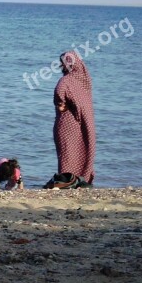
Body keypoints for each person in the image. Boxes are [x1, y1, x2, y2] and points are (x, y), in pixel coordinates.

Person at [53, 50, 96, 186]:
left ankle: (66, 181)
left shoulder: (65, 81)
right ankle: (81, 179)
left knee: (67, 153)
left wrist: (62, 105)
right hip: (83, 124)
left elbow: (60, 94)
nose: (61, 67)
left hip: (66, 124)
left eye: (62, 64)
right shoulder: (85, 80)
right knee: (81, 150)